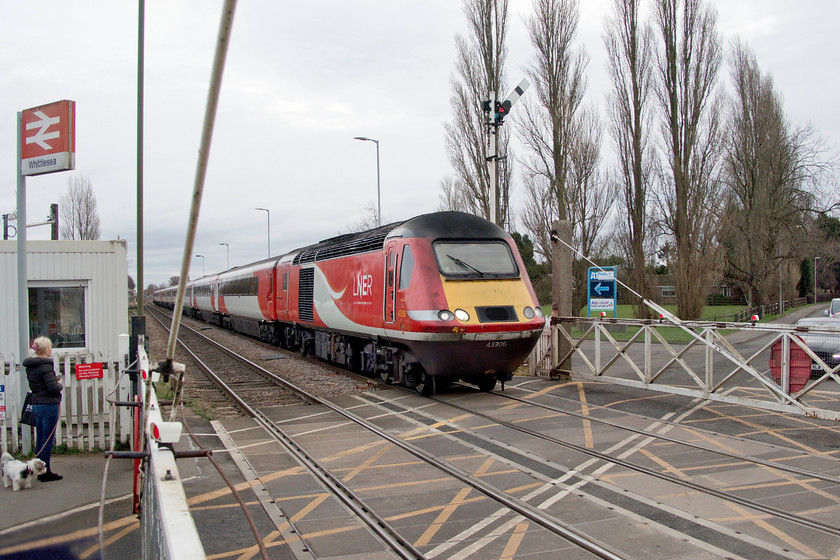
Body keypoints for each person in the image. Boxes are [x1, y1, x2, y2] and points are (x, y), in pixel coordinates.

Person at [23, 336, 63, 482]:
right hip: (48, 405)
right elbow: (52, 388)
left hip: (36, 404)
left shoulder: (30, 365)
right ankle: (45, 472)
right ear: (46, 349)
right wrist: (59, 384)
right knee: (47, 439)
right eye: (50, 347)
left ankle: (37, 468)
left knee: (40, 438)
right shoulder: (46, 365)